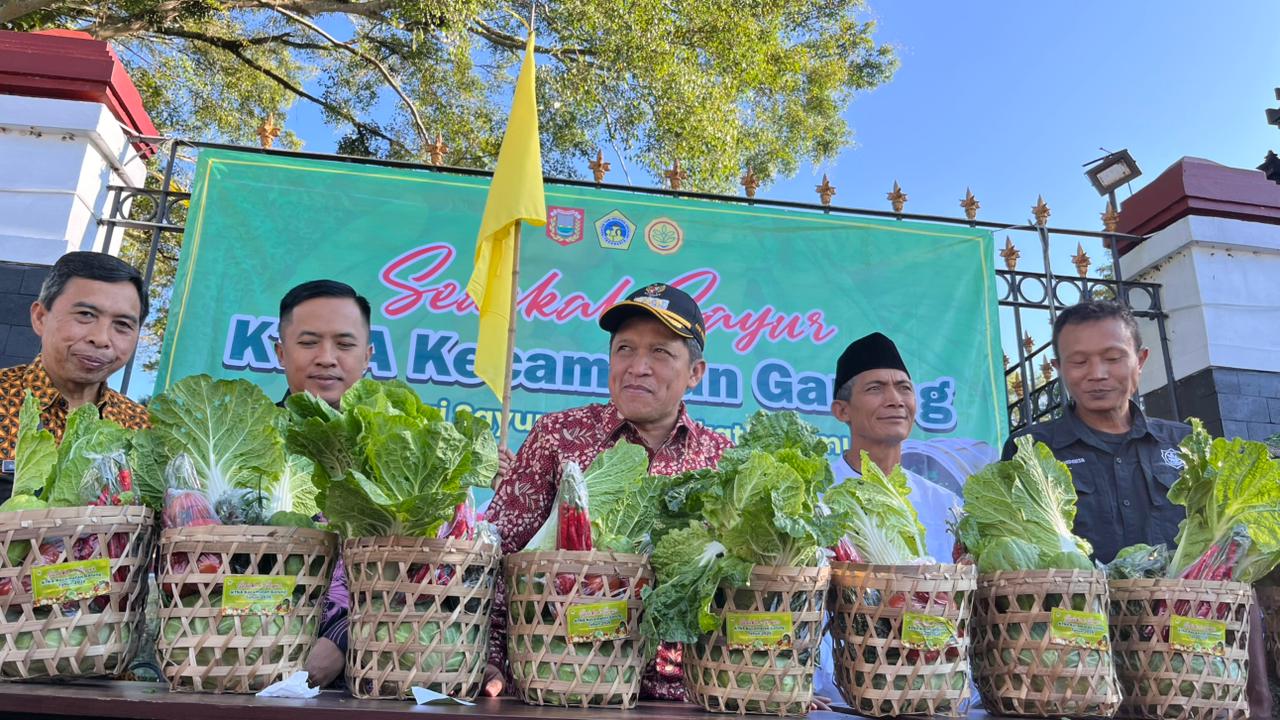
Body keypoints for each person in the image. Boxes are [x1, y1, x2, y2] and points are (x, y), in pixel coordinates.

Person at [1003, 300, 1269, 719]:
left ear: (1140, 360)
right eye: (1079, 362)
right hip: (1078, 674)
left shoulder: (1187, 446)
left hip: (1190, 673)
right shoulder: (1033, 449)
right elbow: (1016, 577)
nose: (1097, 373)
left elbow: (1231, 574)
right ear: (1058, 368)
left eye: (1113, 358)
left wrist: (1258, 697)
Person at [484, 282, 732, 700]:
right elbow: (497, 557)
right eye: (625, 349)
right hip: (564, 682)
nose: (637, 366)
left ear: (695, 373)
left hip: (684, 696)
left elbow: (743, 591)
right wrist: (490, 658)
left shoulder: (723, 461)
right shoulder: (558, 437)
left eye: (660, 352)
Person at [815, 331, 961, 703]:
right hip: (836, 695)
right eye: (876, 388)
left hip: (934, 686)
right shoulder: (815, 493)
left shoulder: (945, 503)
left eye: (904, 388)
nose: (895, 399)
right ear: (842, 411)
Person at [273, 280, 373, 688]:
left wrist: (343, 640)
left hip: (371, 680)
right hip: (243, 656)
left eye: (344, 345)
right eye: (309, 342)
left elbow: (423, 574)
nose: (327, 358)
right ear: (281, 352)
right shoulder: (247, 439)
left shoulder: (396, 449)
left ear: (367, 356)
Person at [0, 252, 150, 502]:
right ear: (40, 317)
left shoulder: (142, 428)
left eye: (123, 324)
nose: (100, 339)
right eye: (86, 315)